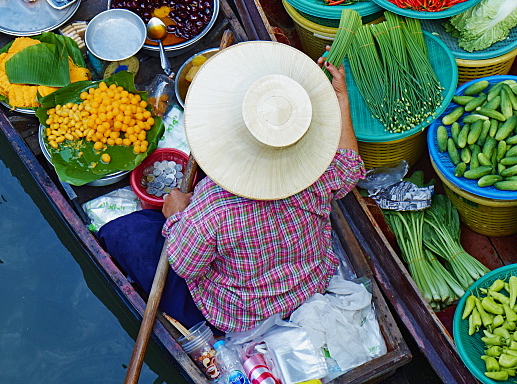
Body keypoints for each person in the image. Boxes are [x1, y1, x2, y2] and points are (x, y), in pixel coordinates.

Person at [99, 42, 364, 332]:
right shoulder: (316, 172)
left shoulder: (213, 205)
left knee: (125, 232)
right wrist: (341, 99)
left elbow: (185, 264)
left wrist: (175, 215)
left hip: (243, 312)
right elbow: (350, 166)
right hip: (308, 284)